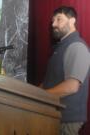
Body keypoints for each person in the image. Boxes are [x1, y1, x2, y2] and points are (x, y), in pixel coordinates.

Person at [41, 6, 90, 135]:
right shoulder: (60, 48)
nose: (53, 24)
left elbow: (71, 87)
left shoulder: (77, 46)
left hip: (66, 120)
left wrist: (40, 96)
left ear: (72, 21)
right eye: (53, 20)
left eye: (59, 19)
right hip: (52, 115)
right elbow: (47, 84)